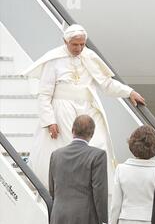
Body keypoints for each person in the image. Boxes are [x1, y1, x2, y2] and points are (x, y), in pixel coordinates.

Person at [24, 24, 145, 203]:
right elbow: (44, 95)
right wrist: (49, 120)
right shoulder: (54, 60)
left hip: (88, 110)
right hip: (62, 112)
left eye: (82, 44)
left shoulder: (89, 57)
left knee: (99, 145)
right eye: (75, 45)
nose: (79, 48)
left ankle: (93, 191)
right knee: (64, 151)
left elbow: (107, 84)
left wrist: (129, 92)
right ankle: (64, 192)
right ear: (65, 41)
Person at [47, 115, 108, 224]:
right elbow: (99, 193)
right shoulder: (98, 155)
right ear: (92, 134)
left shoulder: (56, 155)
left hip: (59, 221)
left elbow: (52, 190)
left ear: (72, 130)